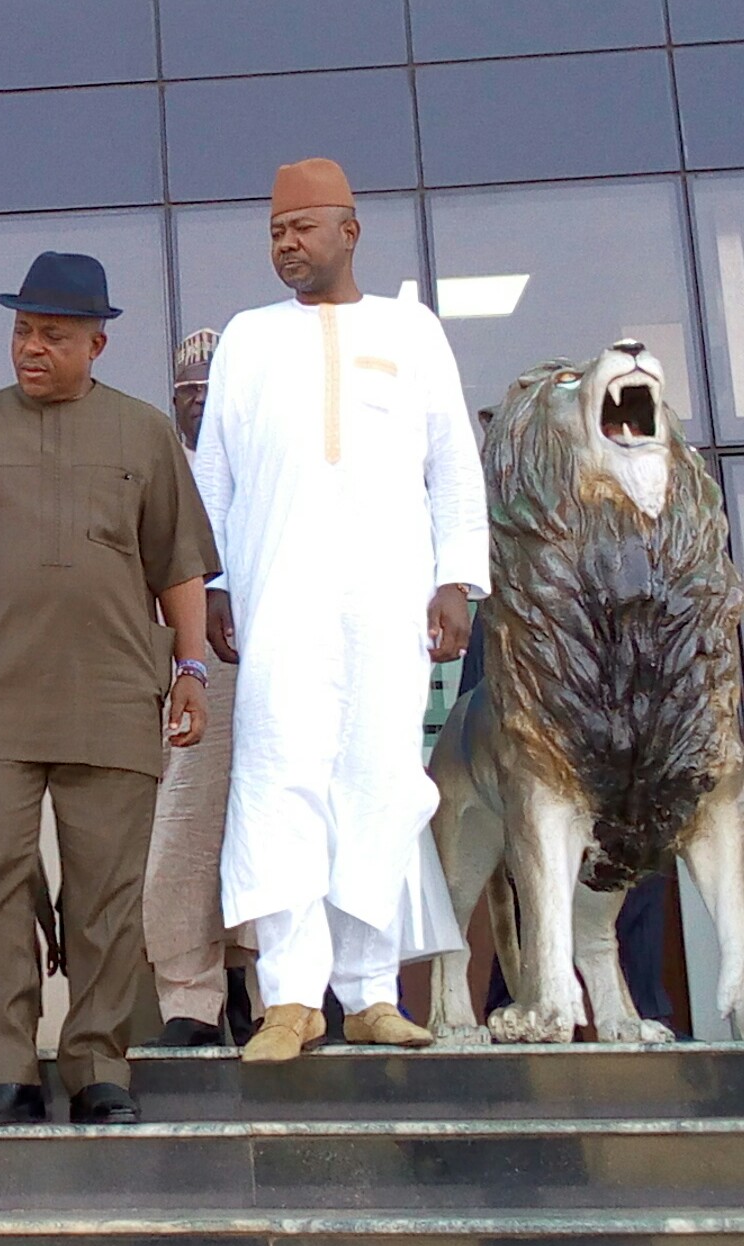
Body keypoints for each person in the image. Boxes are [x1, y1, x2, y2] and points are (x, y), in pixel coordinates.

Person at [0, 252, 220, 1127]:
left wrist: (190, 670)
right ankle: (6, 1069)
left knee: (108, 890)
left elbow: (179, 565)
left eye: (51, 334)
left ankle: (96, 1065)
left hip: (116, 692)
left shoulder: (146, 433)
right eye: (21, 330)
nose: (30, 347)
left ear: (97, 343)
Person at [194, 158, 489, 1064]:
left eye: (302, 229)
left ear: (349, 231)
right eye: (275, 232)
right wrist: (213, 585)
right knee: (278, 781)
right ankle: (290, 997)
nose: (286, 244)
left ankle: (367, 994)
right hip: (281, 598)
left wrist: (456, 582)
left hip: (388, 601)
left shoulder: (411, 331)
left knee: (379, 783)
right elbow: (216, 476)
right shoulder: (248, 337)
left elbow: (453, 467)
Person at [143, 328, 259, 1048]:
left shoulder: (266, 468)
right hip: (190, 677)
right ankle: (192, 998)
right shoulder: (158, 474)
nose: (199, 409)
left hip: (272, 668)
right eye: (188, 396)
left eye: (212, 396)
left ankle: (269, 987)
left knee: (272, 821)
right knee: (184, 833)